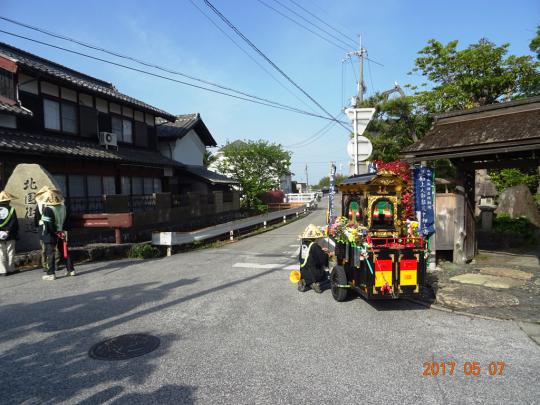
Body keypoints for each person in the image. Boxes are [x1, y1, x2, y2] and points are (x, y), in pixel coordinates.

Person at [39, 190, 74, 281]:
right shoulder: (63, 207)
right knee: (65, 251)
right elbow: (67, 220)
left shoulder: (48, 209)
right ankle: (71, 270)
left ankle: (51, 273)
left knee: (50, 253)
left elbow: (48, 224)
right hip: (62, 232)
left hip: (51, 234)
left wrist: (55, 232)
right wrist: (62, 231)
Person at [35, 186, 62, 273]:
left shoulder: (40, 205)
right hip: (54, 228)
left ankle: (46, 265)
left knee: (45, 249)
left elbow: (36, 219)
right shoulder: (57, 205)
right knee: (54, 248)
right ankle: (54, 264)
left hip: (43, 229)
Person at [297, 224, 329, 292]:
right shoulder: (314, 246)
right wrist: (326, 254)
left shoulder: (304, 245)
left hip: (303, 272)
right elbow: (322, 260)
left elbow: (301, 258)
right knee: (327, 276)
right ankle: (316, 284)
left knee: (309, 268)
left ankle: (305, 281)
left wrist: (320, 250)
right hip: (314, 273)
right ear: (315, 238)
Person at [0, 191, 19, 276]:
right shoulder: (11, 209)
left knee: (1, 252)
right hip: (10, 234)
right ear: (8, 200)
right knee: (10, 252)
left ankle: (3, 270)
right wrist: (8, 230)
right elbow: (14, 222)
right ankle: (11, 269)